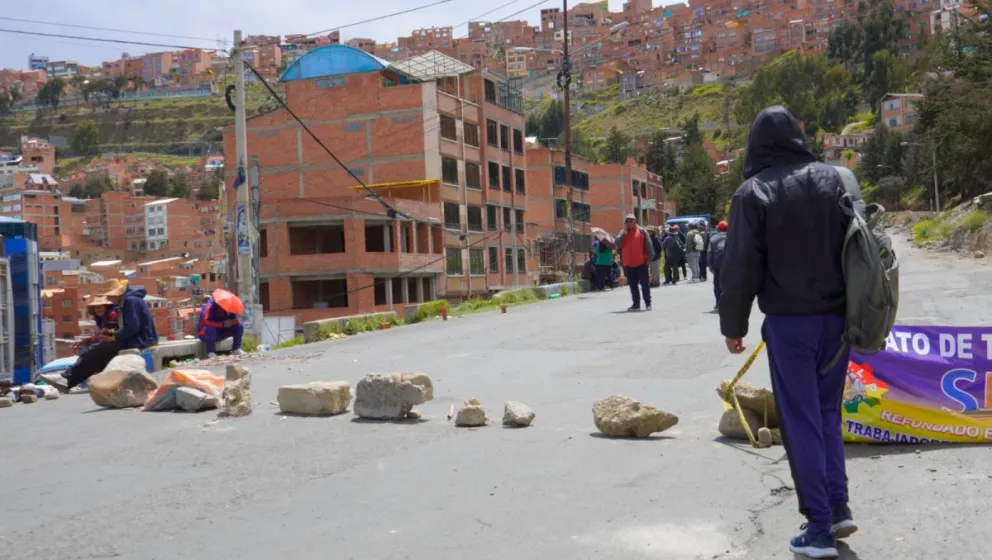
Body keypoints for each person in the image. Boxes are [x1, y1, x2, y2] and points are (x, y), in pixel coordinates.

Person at [719, 105, 853, 559]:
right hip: (838, 323)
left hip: (790, 326)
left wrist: (733, 325)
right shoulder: (834, 180)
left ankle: (819, 528)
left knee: (800, 422)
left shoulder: (752, 193)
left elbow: (739, 267)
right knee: (828, 415)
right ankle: (838, 507)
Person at [42, 280, 158, 393]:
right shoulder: (126, 302)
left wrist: (113, 337)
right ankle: (68, 381)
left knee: (100, 351)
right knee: (99, 350)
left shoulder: (130, 301)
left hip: (141, 340)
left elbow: (133, 328)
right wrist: (111, 334)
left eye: (109, 296)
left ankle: (68, 379)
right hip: (135, 339)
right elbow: (127, 328)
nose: (108, 298)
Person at [615, 214, 655, 311]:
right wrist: (624, 234)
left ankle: (648, 303)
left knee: (644, 284)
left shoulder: (642, 231)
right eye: (627, 221)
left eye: (631, 221)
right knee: (633, 285)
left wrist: (650, 258)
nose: (629, 223)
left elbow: (649, 245)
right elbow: (618, 244)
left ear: (635, 221)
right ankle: (636, 304)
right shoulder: (623, 233)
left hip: (641, 262)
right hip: (628, 264)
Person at [707, 220, 728, 310]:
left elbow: (709, 253)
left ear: (718, 228)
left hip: (718, 265)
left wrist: (710, 265)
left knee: (717, 285)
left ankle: (719, 304)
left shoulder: (713, 238)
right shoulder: (733, 237)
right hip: (730, 265)